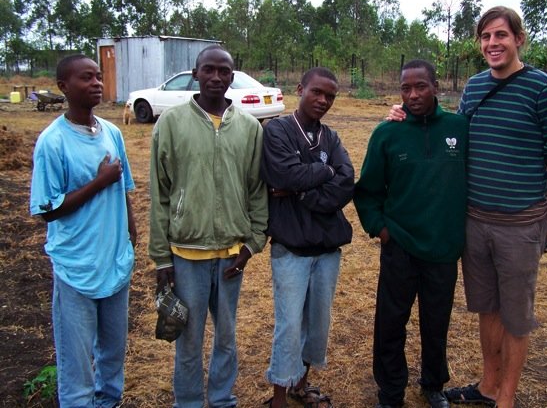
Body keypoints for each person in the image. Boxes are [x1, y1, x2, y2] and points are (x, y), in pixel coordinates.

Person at [389, 6, 547, 408]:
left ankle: (506, 397)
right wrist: (405, 118)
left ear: (518, 39)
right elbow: (451, 136)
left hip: (521, 225)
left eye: (501, 35)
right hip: (474, 221)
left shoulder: (544, 89)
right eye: (486, 37)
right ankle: (488, 386)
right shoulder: (474, 88)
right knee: (487, 308)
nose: (493, 43)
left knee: (515, 316)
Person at [148, 44, 268, 408]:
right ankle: (187, 402)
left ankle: (221, 398)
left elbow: (257, 191)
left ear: (233, 76)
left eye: (224, 71)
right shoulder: (170, 122)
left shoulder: (249, 127)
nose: (216, 77)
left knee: (227, 336)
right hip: (187, 255)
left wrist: (252, 244)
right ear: (196, 73)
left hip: (232, 255)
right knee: (188, 337)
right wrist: (162, 260)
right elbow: (160, 194)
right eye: (209, 70)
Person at [354, 59, 468, 408]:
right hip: (400, 245)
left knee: (437, 322)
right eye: (406, 88)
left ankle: (433, 384)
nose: (413, 94)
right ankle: (390, 392)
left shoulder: (459, 127)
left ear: (436, 85)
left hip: (443, 248)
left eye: (421, 86)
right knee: (391, 323)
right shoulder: (387, 133)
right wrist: (381, 230)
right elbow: (368, 190)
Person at [30, 54, 137, 407]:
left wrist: (131, 236)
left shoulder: (113, 133)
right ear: (63, 87)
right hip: (76, 267)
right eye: (85, 78)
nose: (96, 83)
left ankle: (110, 401)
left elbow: (124, 191)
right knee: (77, 364)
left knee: (113, 355)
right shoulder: (52, 142)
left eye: (98, 77)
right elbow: (48, 210)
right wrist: (99, 181)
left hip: (114, 263)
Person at [260, 67, 354, 408]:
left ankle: (302, 384)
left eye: (330, 95)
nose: (323, 100)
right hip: (291, 248)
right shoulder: (278, 131)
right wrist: (323, 174)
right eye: (316, 92)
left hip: (327, 248)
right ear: (300, 88)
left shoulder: (330, 137)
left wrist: (301, 192)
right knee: (289, 324)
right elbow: (284, 173)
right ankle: (279, 397)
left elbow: (346, 181)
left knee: (317, 321)